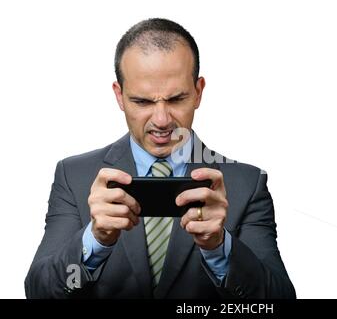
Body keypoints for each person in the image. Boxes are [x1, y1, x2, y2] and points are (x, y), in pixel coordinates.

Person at [25, 18, 296, 299]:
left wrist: (219, 248)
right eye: (142, 102)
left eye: (176, 99)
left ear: (198, 92)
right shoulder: (74, 176)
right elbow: (40, 293)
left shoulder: (247, 184)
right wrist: (93, 242)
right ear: (119, 96)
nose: (162, 120)